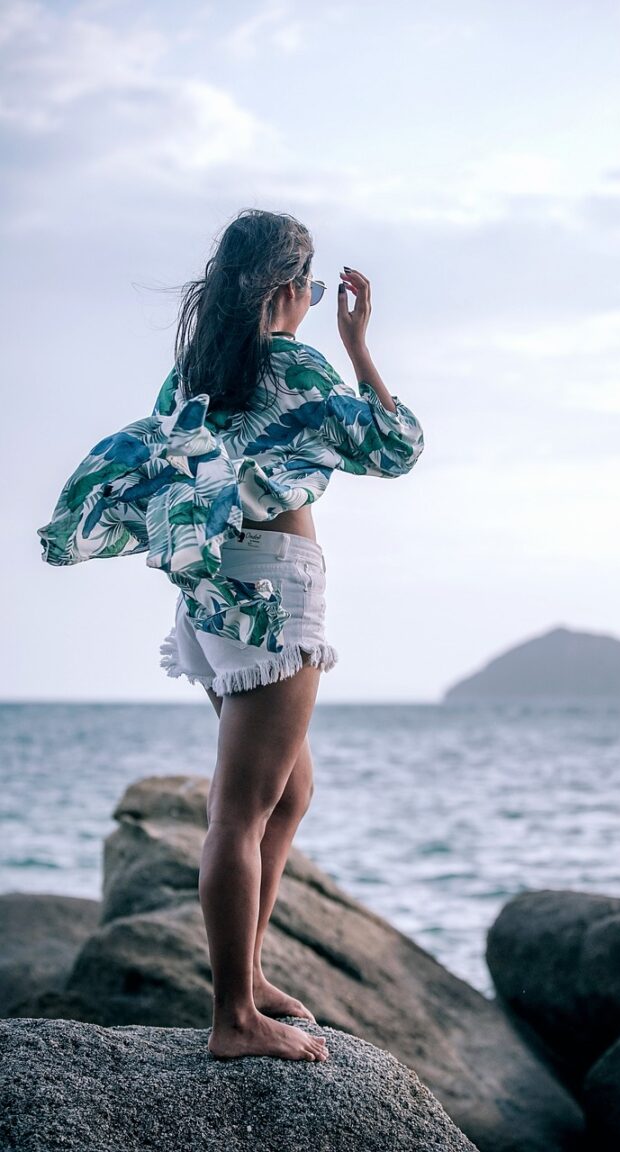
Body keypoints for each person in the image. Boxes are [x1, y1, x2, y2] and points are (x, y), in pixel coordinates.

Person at [153, 209, 425, 1060]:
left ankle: (251, 975)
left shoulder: (193, 372)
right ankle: (235, 1018)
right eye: (307, 289)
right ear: (287, 289)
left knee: (288, 791)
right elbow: (396, 449)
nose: (311, 301)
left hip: (212, 598)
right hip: (273, 589)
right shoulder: (296, 363)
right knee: (238, 814)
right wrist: (358, 346)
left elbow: (168, 472)